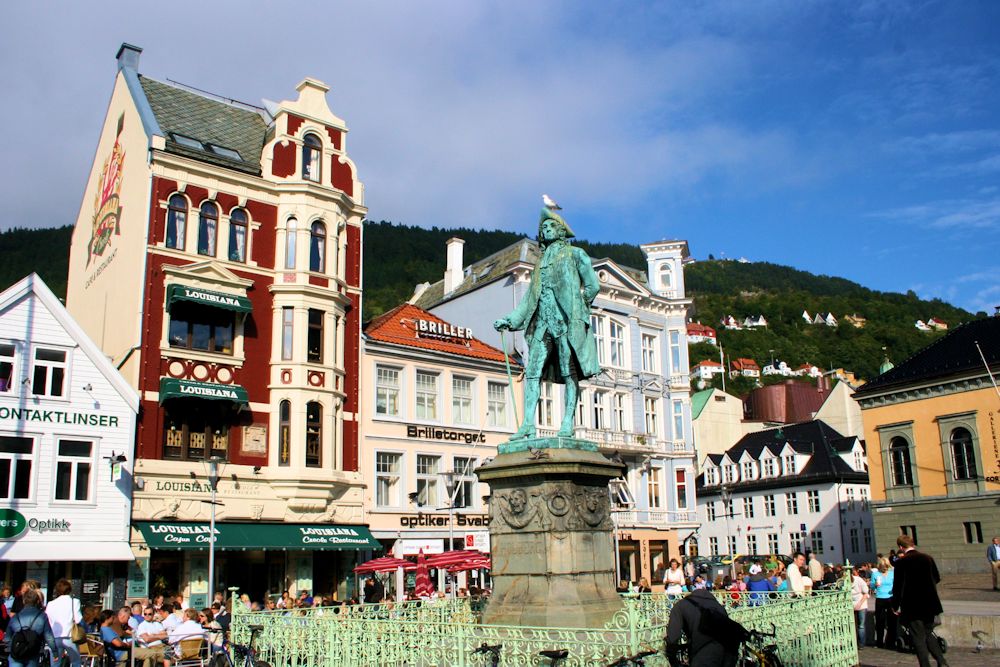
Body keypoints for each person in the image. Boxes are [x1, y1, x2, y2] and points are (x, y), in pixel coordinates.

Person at [493, 205, 601, 439]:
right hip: (543, 324)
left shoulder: (575, 254)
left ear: (562, 231)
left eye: (552, 226)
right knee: (532, 372)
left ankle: (567, 423)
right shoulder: (539, 265)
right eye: (544, 227)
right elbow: (529, 301)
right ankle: (528, 424)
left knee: (568, 371)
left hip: (566, 323)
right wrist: (510, 320)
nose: (547, 229)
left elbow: (593, 285)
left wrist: (579, 306)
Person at [891, 535, 948, 667]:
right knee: (928, 633)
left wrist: (895, 605)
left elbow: (898, 586)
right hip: (930, 603)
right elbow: (937, 578)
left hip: (912, 605)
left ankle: (925, 665)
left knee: (918, 637)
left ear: (900, 547)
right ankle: (942, 662)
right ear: (912, 544)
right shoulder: (927, 558)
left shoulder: (901, 563)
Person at [665, 588, 740, 667]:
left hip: (703, 652)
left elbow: (673, 636)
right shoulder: (718, 606)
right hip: (728, 651)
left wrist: (672, 659)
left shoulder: (681, 605)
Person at [7, 588, 60, 667]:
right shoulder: (42, 616)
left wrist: (9, 647)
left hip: (16, 652)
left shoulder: (15, 617)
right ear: (37, 601)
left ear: (24, 601)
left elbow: (7, 637)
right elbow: (48, 637)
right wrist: (55, 652)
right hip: (33, 652)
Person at [44, 578, 83, 667]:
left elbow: (47, 619)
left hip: (54, 637)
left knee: (55, 664)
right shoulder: (75, 601)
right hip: (70, 636)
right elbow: (78, 619)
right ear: (69, 590)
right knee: (76, 662)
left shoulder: (50, 604)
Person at [870, 557, 897, 649]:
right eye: (883, 566)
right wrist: (875, 585)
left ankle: (891, 642)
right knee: (879, 621)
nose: (885, 568)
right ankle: (879, 642)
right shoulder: (875, 574)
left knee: (892, 621)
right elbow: (872, 587)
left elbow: (896, 584)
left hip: (890, 598)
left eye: (886, 566)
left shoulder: (892, 573)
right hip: (880, 598)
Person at [850, 567, 869, 647]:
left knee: (861, 625)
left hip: (861, 604)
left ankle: (861, 643)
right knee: (852, 625)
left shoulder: (858, 580)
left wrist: (859, 604)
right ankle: (854, 643)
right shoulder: (844, 582)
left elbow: (866, 593)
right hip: (851, 605)